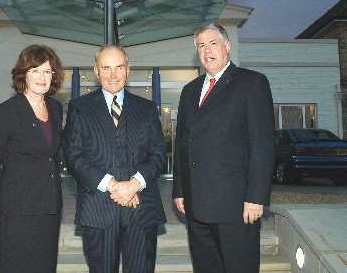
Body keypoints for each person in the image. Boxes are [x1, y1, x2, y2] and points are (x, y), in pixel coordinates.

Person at [172, 24, 275, 273]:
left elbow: (262, 144)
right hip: (196, 205)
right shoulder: (189, 91)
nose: (207, 51)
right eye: (201, 46)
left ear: (227, 46)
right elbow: (182, 144)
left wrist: (256, 197)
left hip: (236, 206)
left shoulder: (252, 83)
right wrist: (179, 189)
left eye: (213, 43)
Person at [63, 45, 166, 273]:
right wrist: (113, 185)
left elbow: (159, 154)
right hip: (98, 211)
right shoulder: (79, 108)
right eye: (106, 68)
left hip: (141, 211)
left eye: (119, 67)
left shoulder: (147, 108)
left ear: (128, 70)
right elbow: (73, 155)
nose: (113, 74)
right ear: (96, 71)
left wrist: (134, 185)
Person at [0, 44, 64, 273]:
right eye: (35, 70)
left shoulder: (56, 109)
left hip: (50, 206)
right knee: (18, 265)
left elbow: (50, 156)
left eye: (47, 71)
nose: (42, 77)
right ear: (23, 74)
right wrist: (9, 194)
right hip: (18, 208)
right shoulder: (4, 112)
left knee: (45, 265)